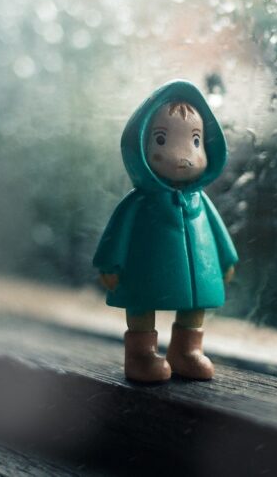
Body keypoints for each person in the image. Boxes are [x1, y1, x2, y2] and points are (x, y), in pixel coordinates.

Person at [94, 80, 238, 382]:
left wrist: (226, 258)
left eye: (195, 141)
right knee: (141, 303)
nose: (183, 155)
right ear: (140, 143)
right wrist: (109, 263)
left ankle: (186, 351)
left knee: (195, 305)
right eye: (161, 139)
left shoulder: (200, 201)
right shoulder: (139, 202)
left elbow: (217, 230)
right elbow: (118, 230)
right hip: (146, 267)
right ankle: (140, 354)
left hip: (197, 271)